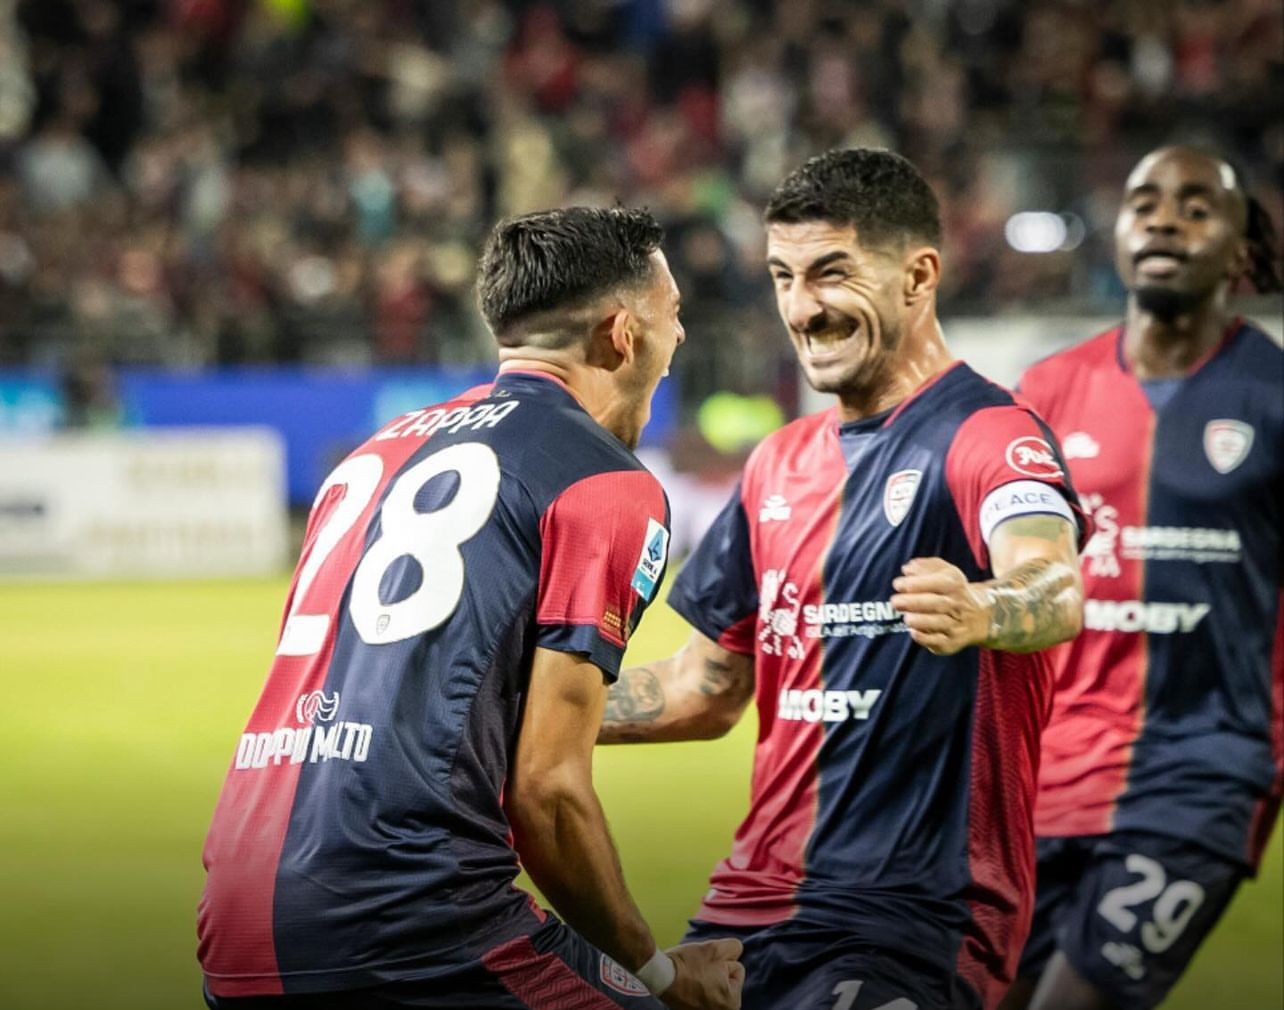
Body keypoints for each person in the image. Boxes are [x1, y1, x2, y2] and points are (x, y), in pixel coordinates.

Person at [197, 206, 744, 1010]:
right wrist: (660, 975)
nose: (681, 336)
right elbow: (547, 792)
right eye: (673, 314)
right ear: (622, 333)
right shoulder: (604, 483)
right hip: (407, 915)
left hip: (238, 912)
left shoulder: (374, 453)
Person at [600, 147, 1089, 1010]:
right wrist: (520, 708)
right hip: (746, 913)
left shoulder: (987, 433)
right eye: (783, 277)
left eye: (831, 273)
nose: (802, 308)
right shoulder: (777, 463)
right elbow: (702, 689)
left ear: (919, 276)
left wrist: (983, 606)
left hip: (911, 919)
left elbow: (1054, 583)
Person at [1000, 147, 1282, 1010]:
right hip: (1046, 779)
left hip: (1205, 772)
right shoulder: (1046, 390)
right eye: (1144, 202)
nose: (1164, 219)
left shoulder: (1274, 396)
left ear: (1241, 250)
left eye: (1196, 207)